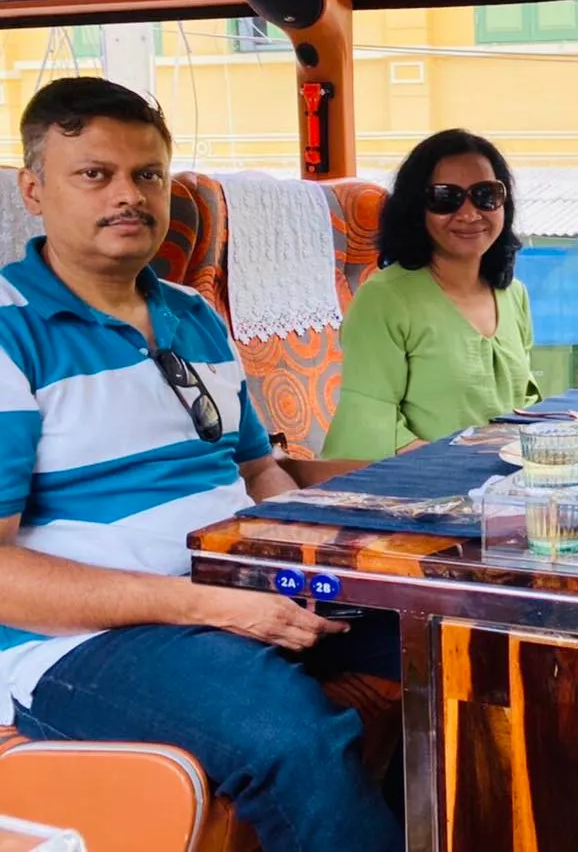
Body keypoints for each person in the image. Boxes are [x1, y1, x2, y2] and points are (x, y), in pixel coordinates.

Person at [0, 77, 402, 852]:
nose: (129, 196)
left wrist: (285, 558)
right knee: (289, 736)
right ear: (34, 190)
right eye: (95, 174)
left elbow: (257, 472)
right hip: (79, 641)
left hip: (233, 584)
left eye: (147, 175)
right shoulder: (11, 336)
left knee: (462, 646)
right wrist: (209, 605)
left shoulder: (193, 313)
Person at [323, 129, 538, 460]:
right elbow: (370, 428)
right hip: (416, 490)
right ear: (415, 209)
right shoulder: (383, 300)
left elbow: (526, 409)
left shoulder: (514, 296)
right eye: (445, 198)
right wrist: (466, 469)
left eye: (485, 195)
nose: (469, 214)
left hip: (503, 484)